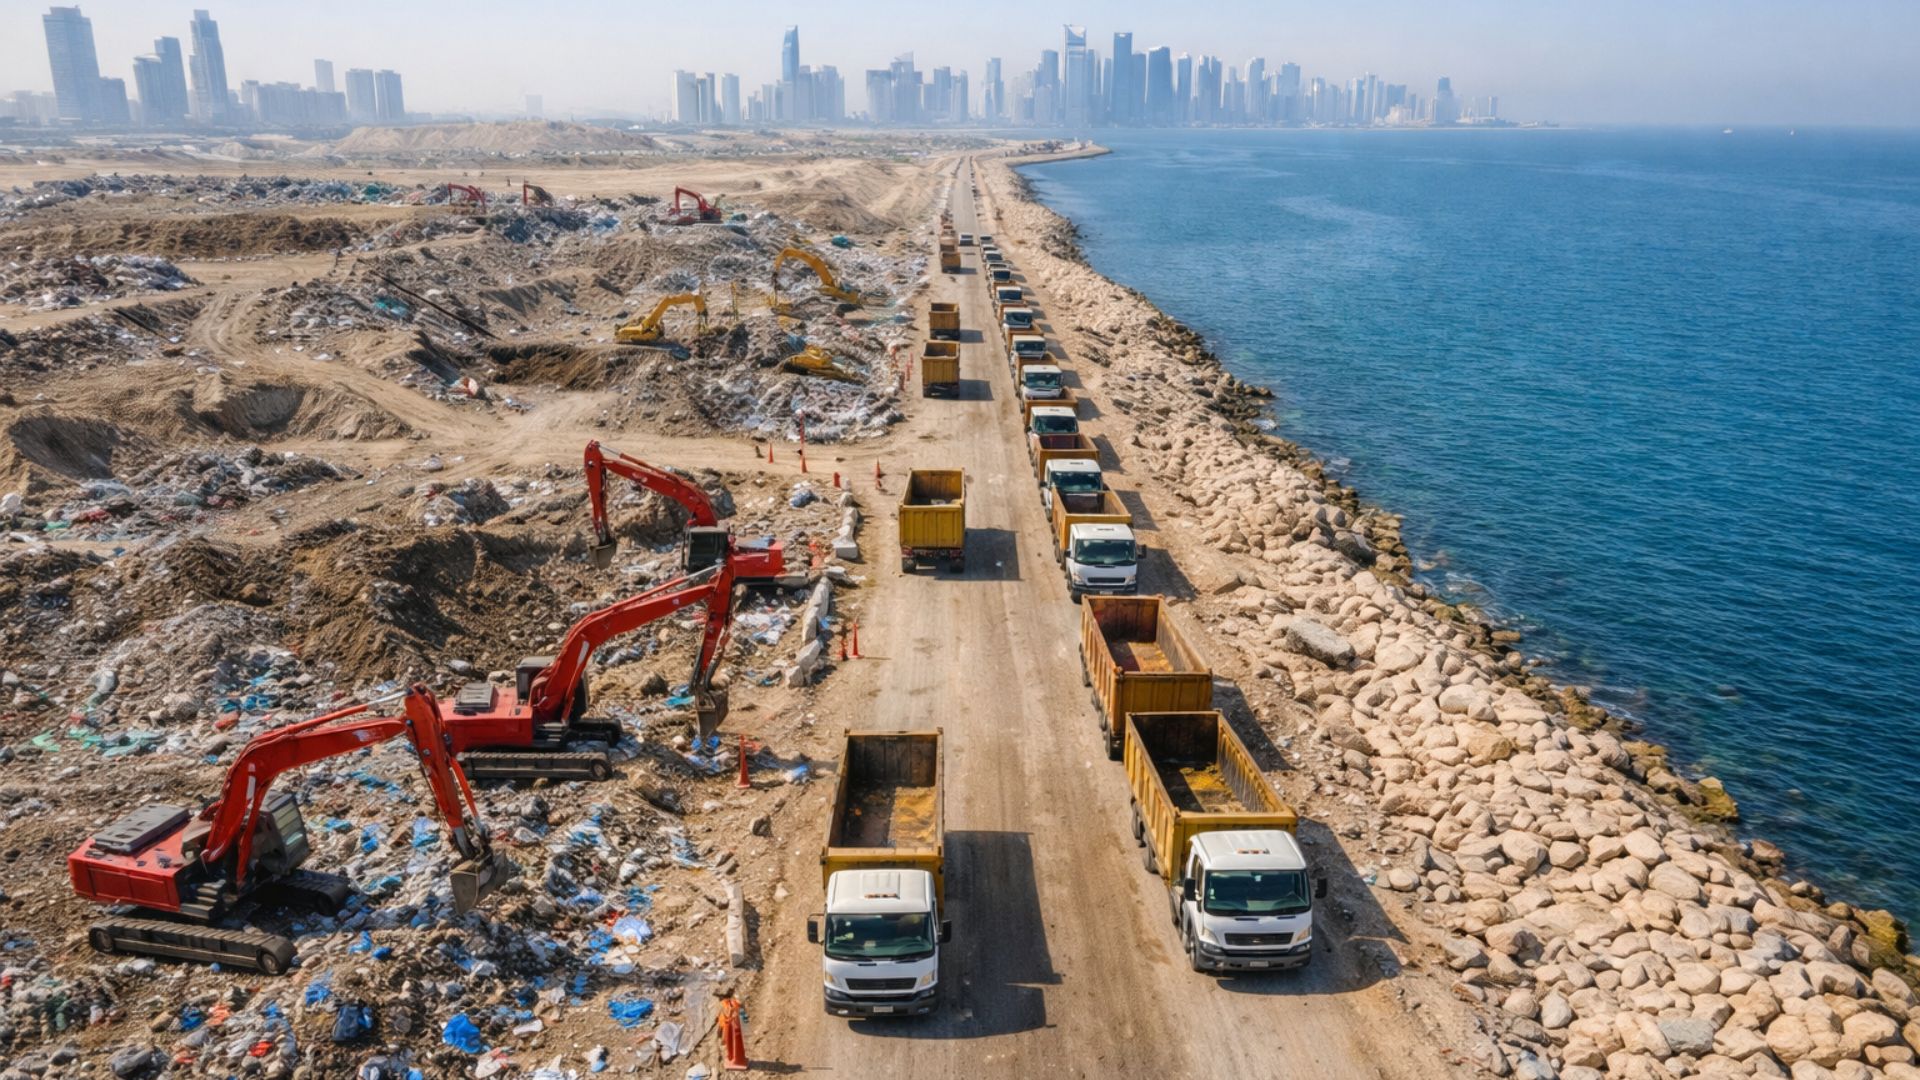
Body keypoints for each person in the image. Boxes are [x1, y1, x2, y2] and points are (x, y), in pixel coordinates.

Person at [716, 985, 748, 1072]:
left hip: (732, 1028)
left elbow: (724, 1019)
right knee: (733, 1045)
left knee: (731, 1044)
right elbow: (744, 1018)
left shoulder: (729, 1005)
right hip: (733, 1027)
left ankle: (734, 1059)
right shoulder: (734, 1004)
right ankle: (735, 1058)